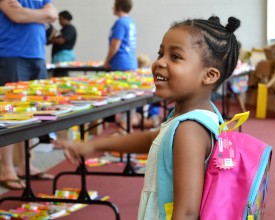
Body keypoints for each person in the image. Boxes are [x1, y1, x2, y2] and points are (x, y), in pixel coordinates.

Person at [54, 15, 240, 219]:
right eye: (161, 53)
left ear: (209, 75)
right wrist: (93, 146)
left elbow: (187, 212)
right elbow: (152, 139)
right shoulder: (198, 115)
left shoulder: (190, 129)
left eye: (175, 57)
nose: (159, 62)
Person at [0, 0, 57, 190]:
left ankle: (25, 164)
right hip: (11, 54)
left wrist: (27, 13)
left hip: (37, 55)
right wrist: (41, 14)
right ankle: (6, 168)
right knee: (8, 112)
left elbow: (52, 14)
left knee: (32, 113)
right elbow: (15, 15)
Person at [102, 0, 138, 133]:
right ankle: (126, 127)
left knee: (121, 97)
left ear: (118, 6)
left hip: (121, 63)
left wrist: (106, 61)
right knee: (128, 96)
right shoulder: (130, 22)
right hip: (129, 62)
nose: (112, 7)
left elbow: (115, 45)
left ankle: (123, 129)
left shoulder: (121, 22)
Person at [49, 10, 77, 77]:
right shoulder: (63, 29)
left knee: (61, 75)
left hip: (63, 58)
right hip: (59, 57)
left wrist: (51, 40)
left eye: (60, 19)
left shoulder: (70, 28)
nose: (59, 21)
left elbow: (61, 41)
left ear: (66, 18)